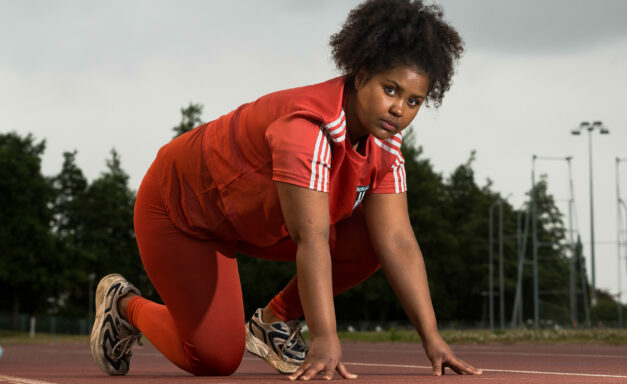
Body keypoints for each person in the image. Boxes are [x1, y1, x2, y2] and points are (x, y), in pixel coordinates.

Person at [90, 0, 481, 380]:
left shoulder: (385, 141)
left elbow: (398, 241)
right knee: (214, 359)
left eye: (414, 101)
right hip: (180, 213)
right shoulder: (307, 129)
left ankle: (274, 323)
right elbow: (310, 238)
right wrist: (325, 339)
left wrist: (433, 340)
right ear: (360, 76)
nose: (400, 109)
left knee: (373, 240)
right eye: (390, 89)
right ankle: (124, 306)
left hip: (243, 219)